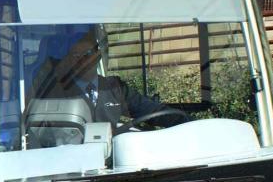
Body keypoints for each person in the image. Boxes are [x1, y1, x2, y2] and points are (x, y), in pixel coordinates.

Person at [33, 30, 186, 129]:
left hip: (113, 169)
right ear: (68, 60)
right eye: (75, 56)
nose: (82, 61)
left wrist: (191, 123)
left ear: (97, 56)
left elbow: (153, 111)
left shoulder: (115, 88)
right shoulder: (55, 91)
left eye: (87, 54)